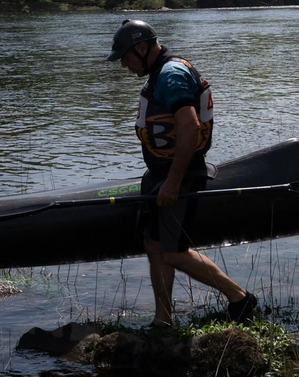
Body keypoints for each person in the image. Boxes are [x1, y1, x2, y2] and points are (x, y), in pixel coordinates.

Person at [105, 19, 257, 326]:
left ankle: (240, 298)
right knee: (154, 245)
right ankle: (163, 319)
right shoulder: (162, 73)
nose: (123, 65)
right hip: (163, 174)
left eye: (125, 57)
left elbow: (190, 127)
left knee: (174, 252)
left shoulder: (172, 75)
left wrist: (173, 182)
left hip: (181, 175)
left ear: (142, 48)